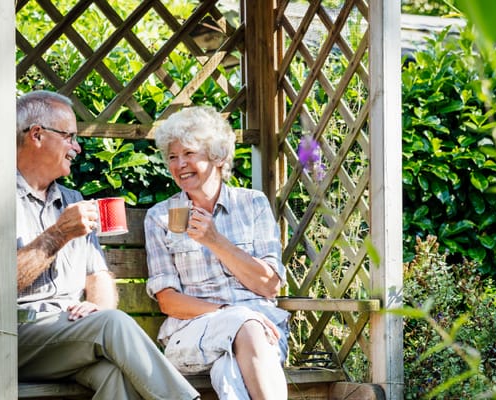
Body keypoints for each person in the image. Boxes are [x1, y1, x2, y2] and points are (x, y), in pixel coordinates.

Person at [15, 90, 200, 400]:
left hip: (71, 335)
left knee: (116, 376)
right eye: (70, 136)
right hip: (17, 336)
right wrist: (58, 234)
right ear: (37, 135)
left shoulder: (72, 200)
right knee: (112, 323)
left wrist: (97, 307)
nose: (77, 147)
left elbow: (98, 275)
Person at [144, 106, 290, 400]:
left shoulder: (253, 205)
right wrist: (233, 315)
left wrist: (214, 240)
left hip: (264, 335)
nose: (179, 164)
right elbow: (169, 301)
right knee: (246, 327)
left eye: (189, 153)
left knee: (229, 373)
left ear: (218, 156)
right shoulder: (160, 217)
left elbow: (269, 285)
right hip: (193, 333)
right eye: (172, 156)